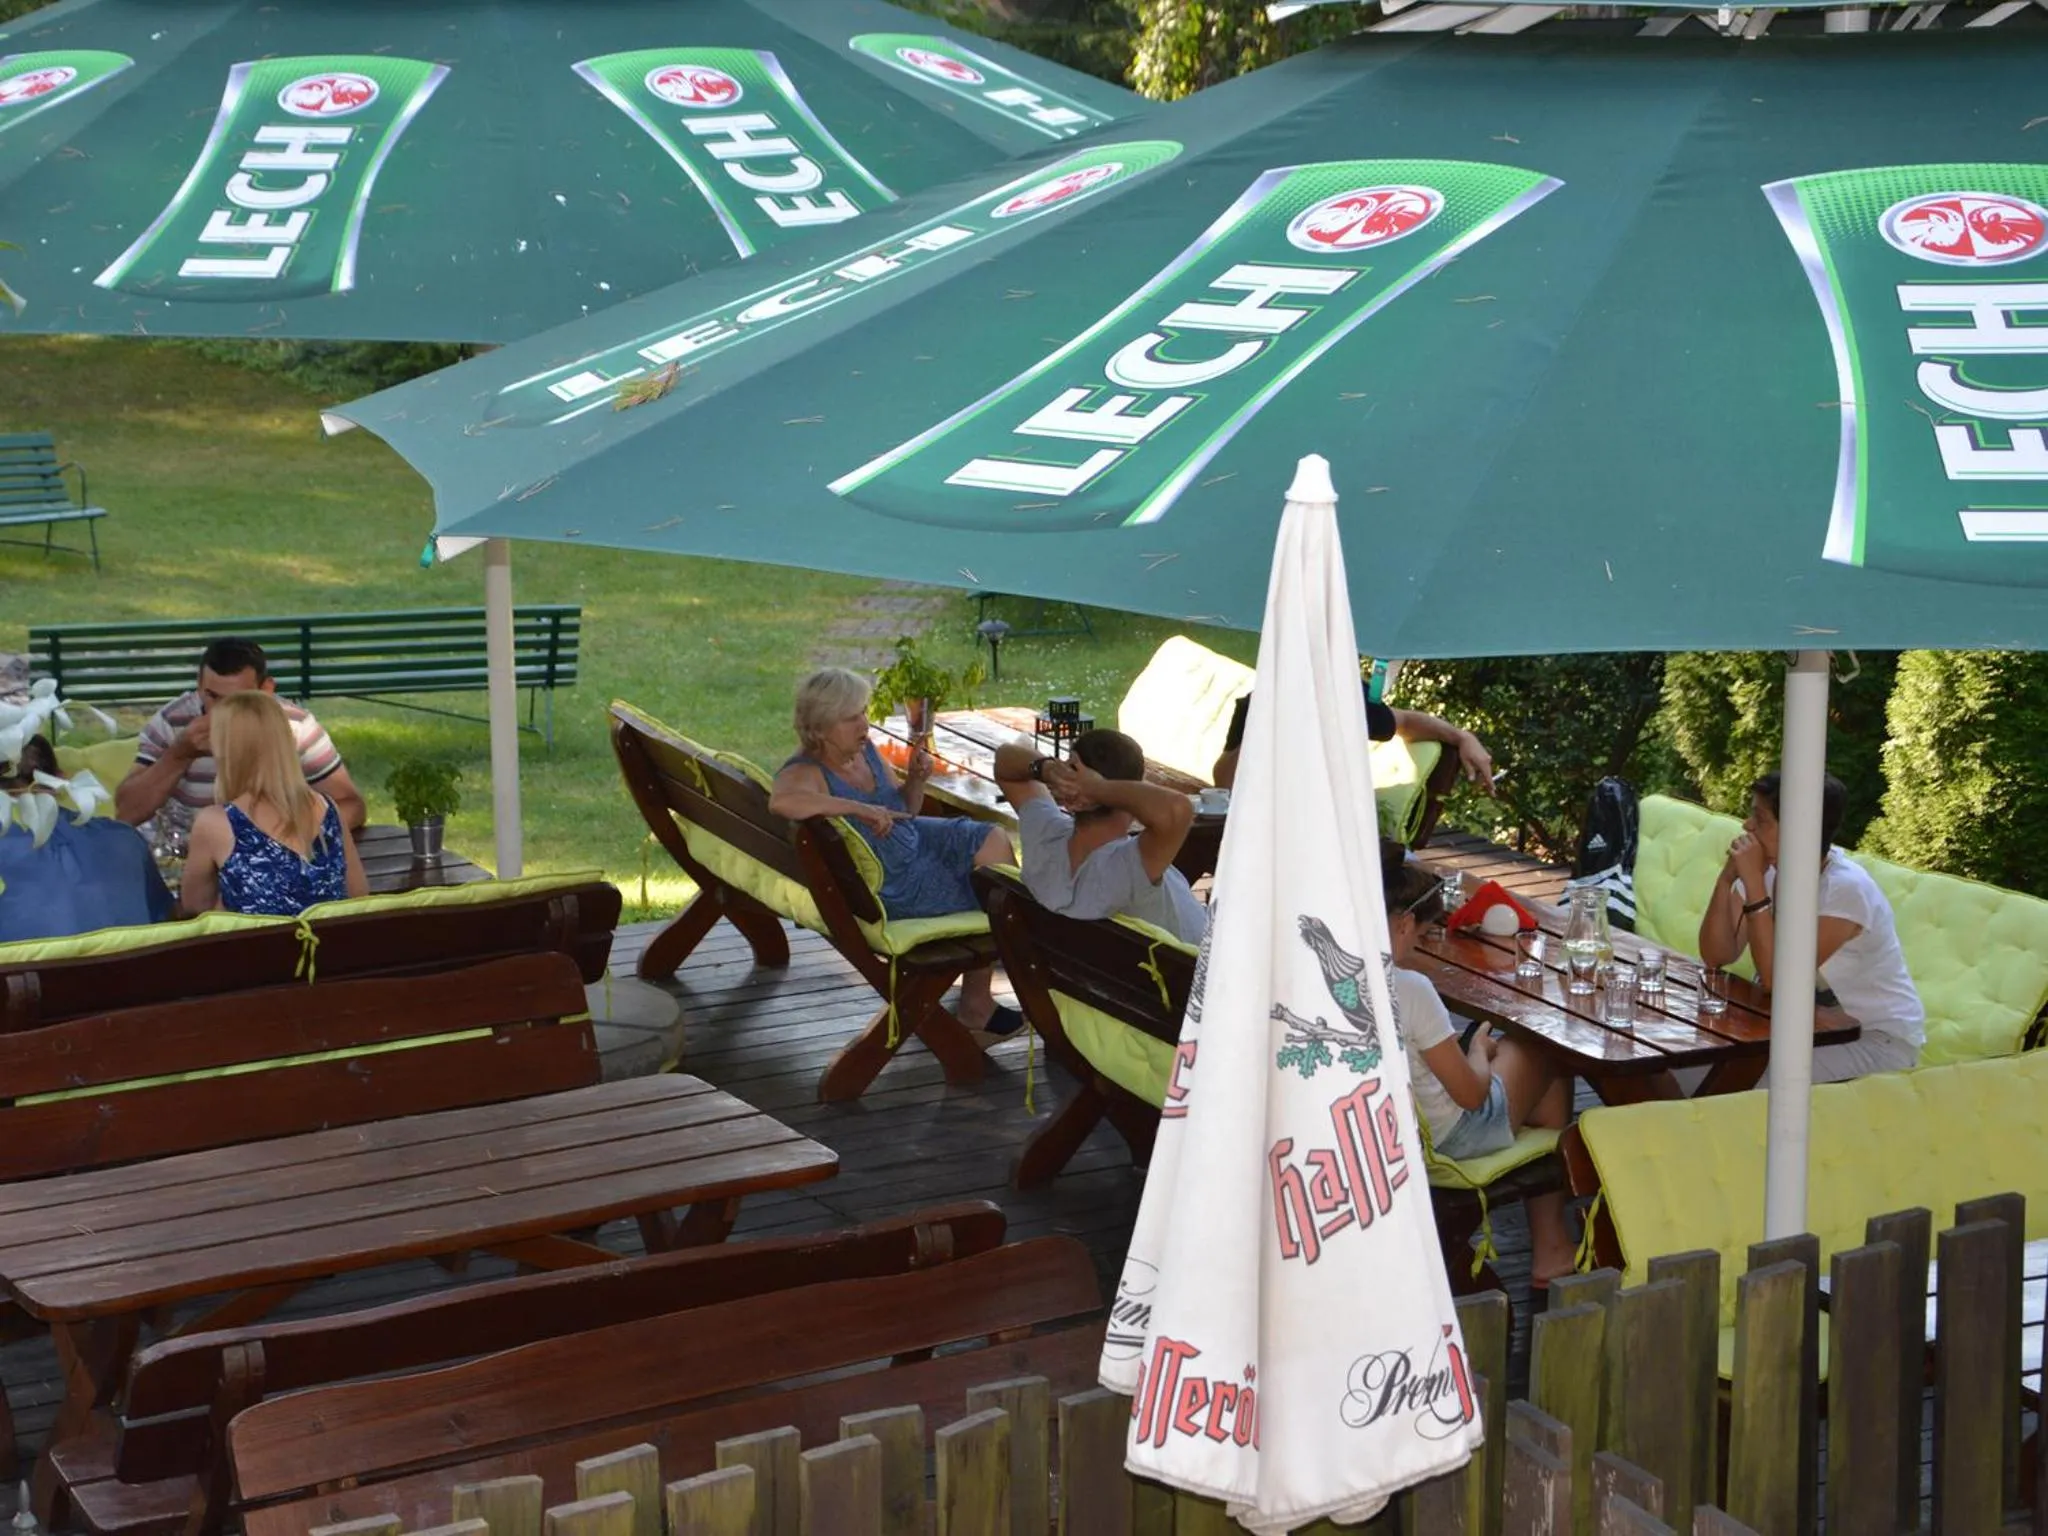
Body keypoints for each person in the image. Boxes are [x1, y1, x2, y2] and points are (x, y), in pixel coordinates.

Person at [768, 668, 1020, 1036]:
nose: (864, 725)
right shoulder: (807, 770)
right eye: (851, 717)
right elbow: (781, 801)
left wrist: (917, 781)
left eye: (863, 713)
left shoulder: (864, 751)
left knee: (991, 838)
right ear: (820, 728)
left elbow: (904, 810)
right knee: (994, 895)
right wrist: (855, 808)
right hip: (896, 883)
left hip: (913, 841)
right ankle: (985, 1001)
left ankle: (1001, 972)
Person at [1383, 841, 1577, 1286]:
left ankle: (1551, 1246)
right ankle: (1550, 1247)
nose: (1417, 946)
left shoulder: (1336, 979)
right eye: (1421, 934)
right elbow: (1470, 1095)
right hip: (1451, 1139)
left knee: (1528, 1068)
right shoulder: (1409, 988)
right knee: (1542, 1046)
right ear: (1403, 923)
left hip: (1389, 1130)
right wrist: (1478, 1052)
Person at [1697, 771, 1923, 1081]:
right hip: (1799, 1030)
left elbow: (1780, 981)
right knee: (1692, 1069)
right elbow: (1716, 954)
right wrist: (1726, 880)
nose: (1747, 826)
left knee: (1743, 1082)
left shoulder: (1844, 890)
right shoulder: (1769, 870)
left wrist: (1753, 883)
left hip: (1875, 1040)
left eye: (1760, 819)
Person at [117, 637, 366, 843]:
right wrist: (179, 755)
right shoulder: (173, 722)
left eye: (237, 700)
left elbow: (352, 806)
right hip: (181, 856)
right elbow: (126, 812)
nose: (221, 713)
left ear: (265, 690)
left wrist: (283, 838)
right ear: (199, 685)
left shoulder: (294, 727)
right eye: (212, 696)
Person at [991, 729, 1206, 945]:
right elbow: (1177, 810)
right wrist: (1095, 787)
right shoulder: (1130, 867)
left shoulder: (1045, 838)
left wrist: (1048, 769)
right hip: (1192, 971)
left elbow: (1005, 762)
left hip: (1077, 974)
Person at [178, 691, 367, 917]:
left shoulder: (217, 822)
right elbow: (359, 895)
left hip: (259, 950)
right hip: (331, 948)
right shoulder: (327, 808)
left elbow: (194, 907)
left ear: (226, 750)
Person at [1, 734, 173, 940]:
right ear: (62, 779)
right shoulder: (124, 839)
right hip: (129, 969)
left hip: (27, 971)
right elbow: (165, 919)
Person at [1211, 683, 1496, 795]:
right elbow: (1224, 782)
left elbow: (1405, 721)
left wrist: (1461, 737)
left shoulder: (1345, 699)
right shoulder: (1259, 703)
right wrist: (1261, 727)